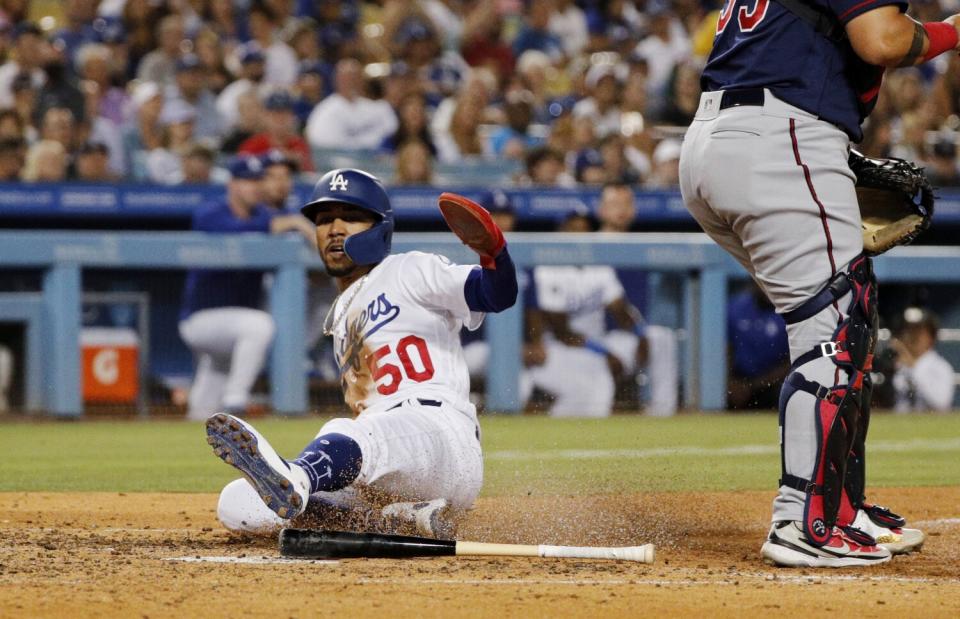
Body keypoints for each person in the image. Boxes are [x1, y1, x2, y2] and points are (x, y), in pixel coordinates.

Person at [678, 0, 953, 567]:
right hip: (777, 136)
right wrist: (951, 31)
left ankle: (841, 505)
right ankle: (805, 521)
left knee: (850, 316)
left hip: (718, 143)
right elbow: (881, 39)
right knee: (834, 333)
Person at [206, 168, 518, 538]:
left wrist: (494, 250)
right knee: (239, 503)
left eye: (351, 216)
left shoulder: (408, 269)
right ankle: (397, 520)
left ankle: (300, 476)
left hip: (439, 436)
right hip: (385, 465)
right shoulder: (340, 312)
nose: (334, 228)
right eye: (323, 220)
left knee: (346, 432)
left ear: (380, 227)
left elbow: (497, 293)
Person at [178, 155, 315, 421]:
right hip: (201, 318)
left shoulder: (266, 214)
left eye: (257, 181)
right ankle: (236, 402)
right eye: (246, 181)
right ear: (232, 184)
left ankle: (196, 427)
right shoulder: (211, 212)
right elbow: (234, 230)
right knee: (259, 326)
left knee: (202, 411)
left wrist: (294, 223)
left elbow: (284, 225)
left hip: (232, 327)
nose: (254, 187)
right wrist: (292, 223)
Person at [523, 206, 650, 417]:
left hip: (595, 345)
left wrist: (640, 333)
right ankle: (564, 434)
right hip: (558, 350)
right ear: (561, 232)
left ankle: (662, 411)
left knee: (659, 339)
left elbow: (620, 309)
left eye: (584, 229)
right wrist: (604, 353)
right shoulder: (548, 268)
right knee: (596, 382)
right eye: (572, 228)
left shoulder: (599, 265)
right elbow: (561, 332)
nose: (579, 234)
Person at [890, 307, 955, 412]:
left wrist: (913, 367)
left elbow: (941, 404)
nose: (911, 336)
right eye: (907, 330)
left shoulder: (940, 367)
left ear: (931, 337)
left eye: (918, 332)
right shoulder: (895, 364)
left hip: (930, 425)